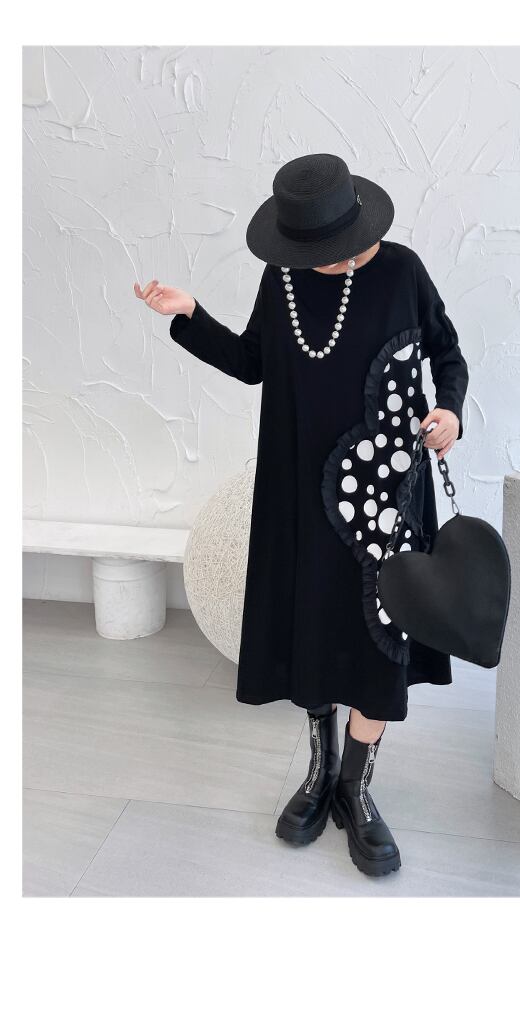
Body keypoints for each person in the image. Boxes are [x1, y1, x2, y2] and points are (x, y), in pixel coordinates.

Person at [134, 153, 469, 877]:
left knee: (381, 640)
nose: (319, 261)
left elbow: (447, 353)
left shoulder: (403, 272)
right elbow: (252, 361)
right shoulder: (282, 279)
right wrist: (190, 315)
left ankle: (356, 785)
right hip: (301, 492)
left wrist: (449, 412)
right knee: (313, 629)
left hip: (386, 496)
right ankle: (320, 771)